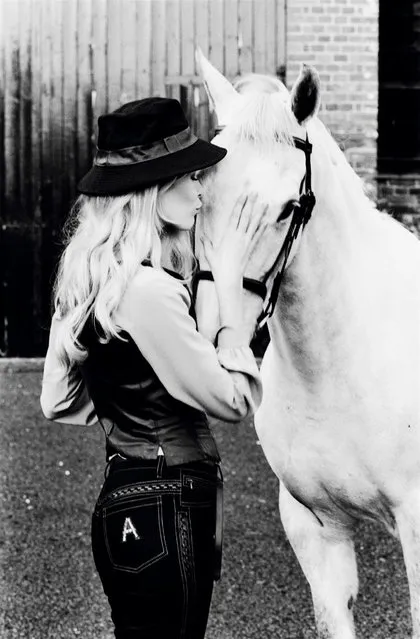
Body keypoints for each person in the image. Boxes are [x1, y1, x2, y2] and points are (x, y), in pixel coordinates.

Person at [40, 97, 267, 639]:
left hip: (122, 501)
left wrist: (129, 381)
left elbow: (57, 400)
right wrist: (233, 329)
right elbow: (232, 401)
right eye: (192, 176)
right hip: (171, 507)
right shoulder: (150, 293)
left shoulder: (90, 283)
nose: (202, 190)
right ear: (153, 189)